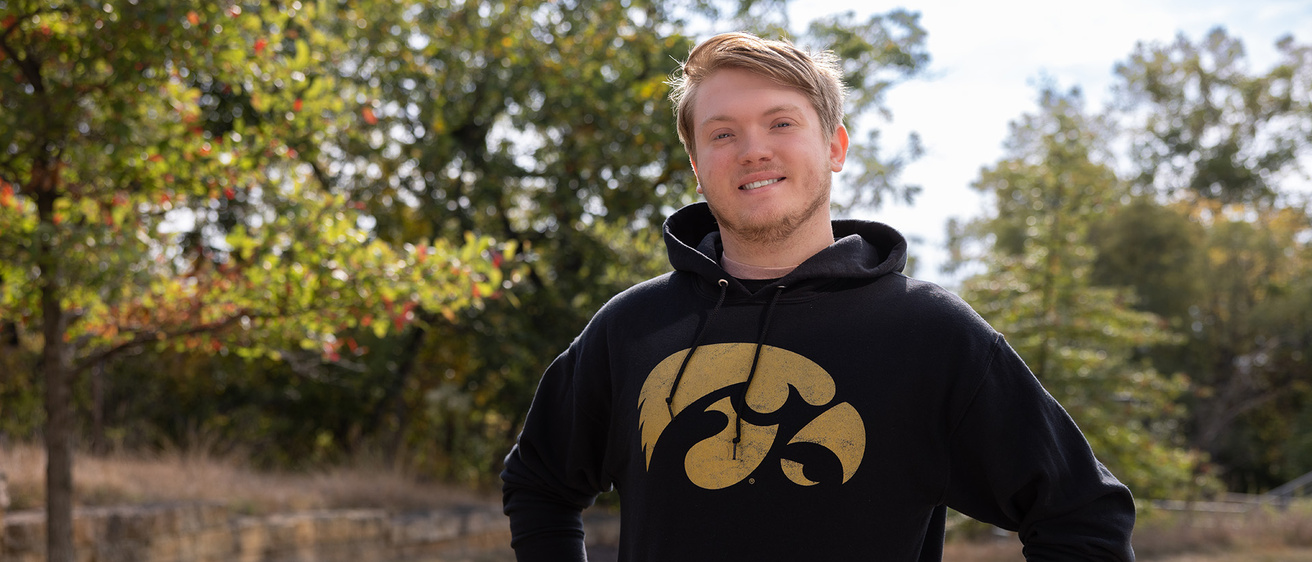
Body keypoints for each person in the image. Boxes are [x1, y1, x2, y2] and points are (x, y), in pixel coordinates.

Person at [500, 31, 1136, 561]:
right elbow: (539, 483)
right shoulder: (632, 328)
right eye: (722, 134)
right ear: (696, 163)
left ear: (835, 147)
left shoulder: (928, 334)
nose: (754, 150)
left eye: (782, 123)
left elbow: (1084, 518)